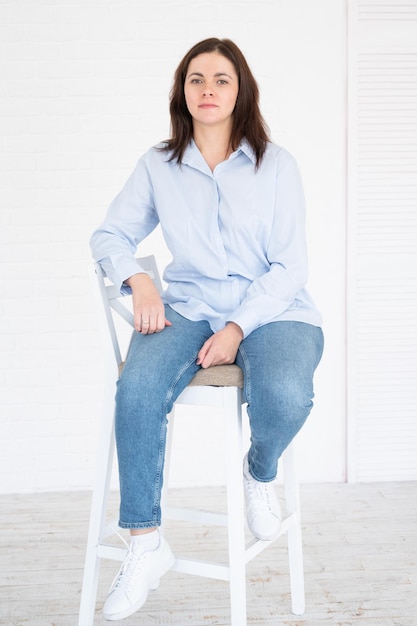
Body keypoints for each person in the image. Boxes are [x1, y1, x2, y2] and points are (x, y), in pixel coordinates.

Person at [90, 37, 324, 622]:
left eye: (221, 79)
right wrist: (139, 283)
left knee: (286, 393)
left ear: (240, 90)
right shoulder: (157, 165)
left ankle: (259, 470)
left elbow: (290, 266)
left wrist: (240, 327)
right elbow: (109, 237)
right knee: (137, 389)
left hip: (273, 308)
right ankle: (145, 544)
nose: (208, 89)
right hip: (190, 305)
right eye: (196, 79)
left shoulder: (278, 165)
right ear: (183, 92)